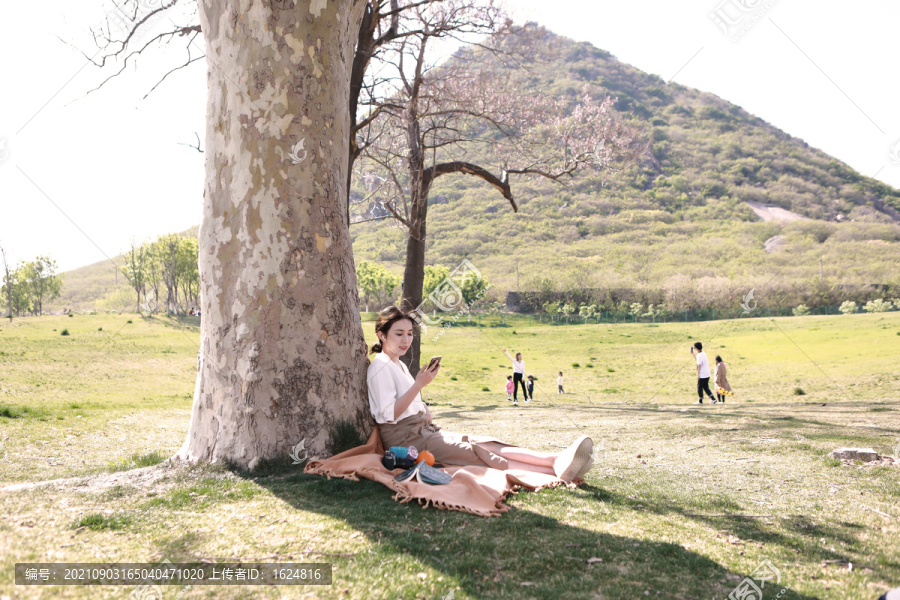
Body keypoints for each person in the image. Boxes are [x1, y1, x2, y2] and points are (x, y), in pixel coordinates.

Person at [367, 306, 594, 482]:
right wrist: (419, 385)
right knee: (474, 453)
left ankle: (555, 460)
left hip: (422, 429)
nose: (406, 340)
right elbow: (386, 415)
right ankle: (555, 474)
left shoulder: (398, 364)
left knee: (484, 443)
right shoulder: (380, 367)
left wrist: (422, 406)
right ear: (382, 335)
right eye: (399, 334)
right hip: (408, 440)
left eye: (409, 333)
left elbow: (406, 400)